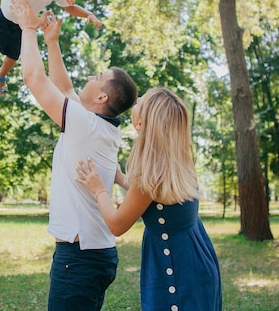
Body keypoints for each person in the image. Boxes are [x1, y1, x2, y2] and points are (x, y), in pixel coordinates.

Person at [9, 0, 138, 310]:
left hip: (79, 258)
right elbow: (65, 90)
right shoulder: (104, 127)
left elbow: (34, 79)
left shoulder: (86, 125)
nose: (91, 78)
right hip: (96, 255)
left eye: (97, 78)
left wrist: (28, 28)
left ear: (101, 98)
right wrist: (51, 43)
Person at [76, 88, 223, 311]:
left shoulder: (150, 175)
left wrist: (99, 190)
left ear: (143, 123)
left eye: (139, 103)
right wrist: (119, 178)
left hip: (174, 266)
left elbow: (117, 225)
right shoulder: (177, 160)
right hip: (197, 260)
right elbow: (152, 195)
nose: (133, 105)